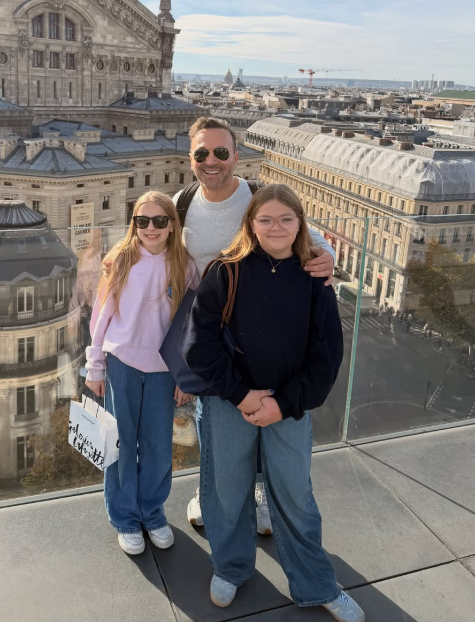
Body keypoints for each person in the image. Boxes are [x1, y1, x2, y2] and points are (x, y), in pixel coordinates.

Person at [182, 184, 365, 622]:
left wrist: (281, 404)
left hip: (286, 406)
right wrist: (243, 395)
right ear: (251, 224)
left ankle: (316, 583)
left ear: (302, 224)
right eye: (265, 219)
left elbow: (326, 357)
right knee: (226, 491)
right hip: (231, 402)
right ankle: (231, 567)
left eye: (286, 219)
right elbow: (197, 345)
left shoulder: (315, 279)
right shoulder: (225, 271)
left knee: (295, 496)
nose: (275, 227)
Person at [174, 117, 335, 532]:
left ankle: (259, 491)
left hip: (260, 323)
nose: (212, 161)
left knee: (263, 408)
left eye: (221, 152)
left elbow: (309, 238)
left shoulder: (257, 197)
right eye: (202, 153)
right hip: (210, 322)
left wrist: (329, 258)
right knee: (212, 417)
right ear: (191, 158)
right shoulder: (182, 202)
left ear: (236, 156)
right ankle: (212, 490)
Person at [85, 191, 198, 555]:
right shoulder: (120, 260)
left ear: (172, 225)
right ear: (133, 224)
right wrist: (95, 365)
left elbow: (190, 326)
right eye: (142, 221)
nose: (150, 228)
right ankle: (124, 517)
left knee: (158, 447)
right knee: (120, 445)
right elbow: (101, 317)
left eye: (159, 221)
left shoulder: (185, 265)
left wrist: (186, 376)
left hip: (165, 369)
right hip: (122, 364)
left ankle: (152, 512)